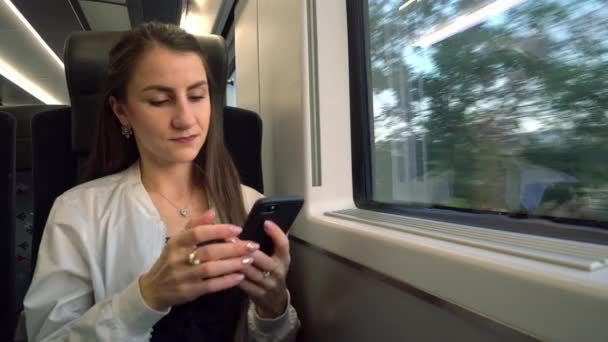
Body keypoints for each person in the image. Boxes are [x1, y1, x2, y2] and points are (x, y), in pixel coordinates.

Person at [23, 22, 300, 341]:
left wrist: (273, 308)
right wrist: (146, 298)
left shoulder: (249, 203)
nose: (185, 118)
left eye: (197, 96)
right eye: (159, 100)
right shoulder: (78, 212)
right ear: (122, 111)